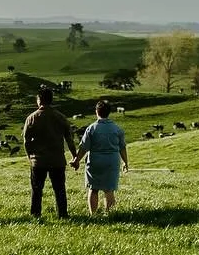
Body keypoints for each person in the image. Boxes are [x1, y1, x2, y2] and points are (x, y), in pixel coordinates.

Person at [23, 85, 76, 219]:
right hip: (57, 160)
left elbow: (26, 140)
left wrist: (30, 156)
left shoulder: (32, 118)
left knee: (37, 190)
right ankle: (63, 215)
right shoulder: (61, 117)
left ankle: (36, 215)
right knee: (59, 190)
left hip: (38, 160)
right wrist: (75, 156)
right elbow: (69, 139)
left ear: (39, 100)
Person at [71, 99, 129, 215]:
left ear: (96, 112)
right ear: (109, 112)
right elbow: (122, 147)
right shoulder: (117, 129)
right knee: (109, 190)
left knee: (93, 189)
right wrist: (125, 162)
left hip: (95, 161)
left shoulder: (92, 128)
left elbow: (84, 147)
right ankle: (110, 214)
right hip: (112, 161)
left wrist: (76, 160)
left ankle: (93, 214)